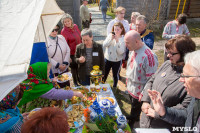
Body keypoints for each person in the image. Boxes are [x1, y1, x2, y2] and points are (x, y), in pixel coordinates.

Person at [140, 35, 196, 131]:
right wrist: (145, 101)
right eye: (167, 52)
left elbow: (185, 113)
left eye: (172, 53)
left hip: (163, 128)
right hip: (146, 122)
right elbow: (152, 80)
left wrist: (159, 113)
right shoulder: (167, 64)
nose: (168, 55)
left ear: (184, 54)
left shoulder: (191, 80)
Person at [147, 50, 200, 133]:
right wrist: (164, 111)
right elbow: (187, 117)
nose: (181, 79)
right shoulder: (196, 99)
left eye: (185, 76)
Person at [124, 30, 158, 127]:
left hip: (139, 93)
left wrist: (144, 95)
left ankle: (131, 125)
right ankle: (132, 119)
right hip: (131, 88)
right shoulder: (133, 49)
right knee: (133, 108)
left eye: (127, 43)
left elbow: (151, 80)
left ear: (137, 41)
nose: (126, 45)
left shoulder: (149, 56)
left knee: (135, 112)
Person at [18, 62, 83, 107]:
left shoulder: (34, 80)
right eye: (47, 73)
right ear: (40, 73)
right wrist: (75, 93)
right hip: (35, 108)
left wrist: (52, 81)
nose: (49, 74)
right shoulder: (37, 86)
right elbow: (55, 93)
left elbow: (44, 83)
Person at [103, 22, 126, 88]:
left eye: (118, 29)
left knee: (115, 75)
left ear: (121, 29)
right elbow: (104, 45)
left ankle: (115, 86)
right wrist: (110, 39)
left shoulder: (123, 39)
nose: (116, 31)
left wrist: (117, 41)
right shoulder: (110, 36)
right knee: (105, 73)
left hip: (117, 61)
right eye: (115, 29)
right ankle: (102, 84)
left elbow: (121, 52)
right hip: (108, 59)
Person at [61, 13, 82, 86]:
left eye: (68, 21)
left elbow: (80, 36)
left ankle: (80, 79)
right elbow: (64, 45)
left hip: (79, 50)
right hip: (71, 53)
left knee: (79, 66)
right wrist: (68, 56)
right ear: (63, 23)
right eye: (65, 22)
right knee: (73, 67)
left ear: (71, 21)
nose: (67, 23)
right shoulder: (64, 31)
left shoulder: (75, 26)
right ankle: (75, 82)